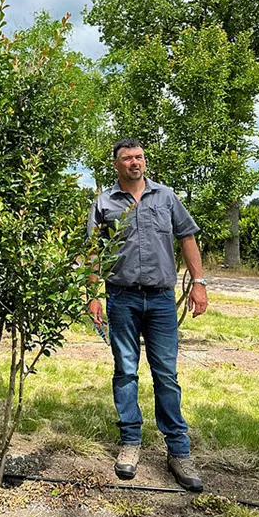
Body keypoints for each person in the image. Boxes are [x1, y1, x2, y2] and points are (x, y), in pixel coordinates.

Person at [86, 138, 208, 491]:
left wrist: (198, 282)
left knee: (166, 374)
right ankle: (130, 442)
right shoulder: (104, 202)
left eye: (139, 157)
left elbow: (187, 237)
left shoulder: (166, 197)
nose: (134, 163)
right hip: (120, 298)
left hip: (160, 301)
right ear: (116, 164)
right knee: (125, 370)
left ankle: (178, 451)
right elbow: (93, 253)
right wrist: (93, 295)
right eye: (127, 158)